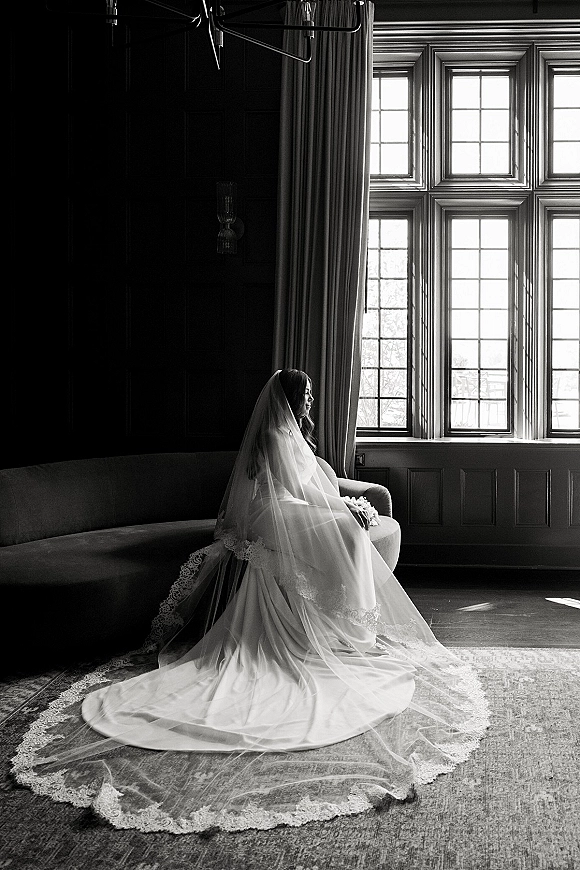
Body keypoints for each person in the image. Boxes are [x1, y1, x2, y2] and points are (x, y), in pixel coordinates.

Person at [12, 369, 489, 835]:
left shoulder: (290, 434)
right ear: (290, 401)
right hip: (266, 514)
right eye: (305, 399)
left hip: (284, 508)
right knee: (343, 529)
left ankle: (341, 624)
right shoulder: (274, 437)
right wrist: (347, 508)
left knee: (343, 529)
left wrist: (346, 502)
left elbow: (312, 486)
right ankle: (348, 624)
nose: (310, 406)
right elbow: (300, 490)